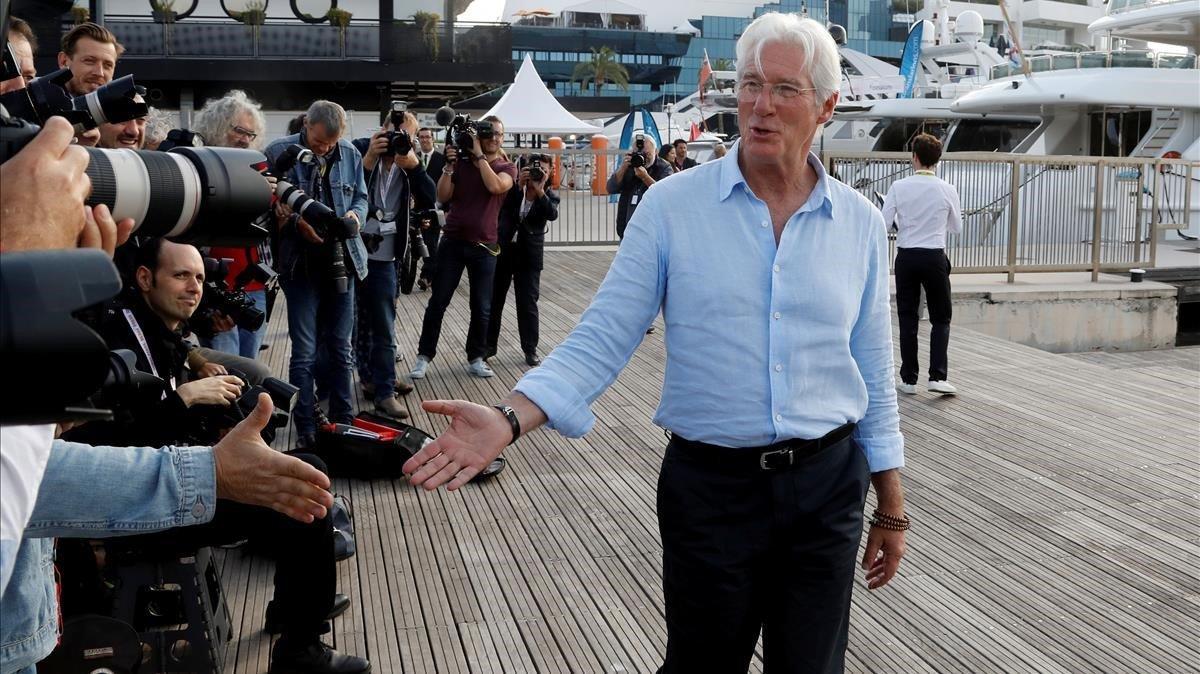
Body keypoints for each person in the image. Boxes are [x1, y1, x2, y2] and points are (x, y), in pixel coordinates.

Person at [403, 13, 908, 673]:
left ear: (827, 106)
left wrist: (891, 507)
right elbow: (605, 332)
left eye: (784, 89)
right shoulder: (673, 207)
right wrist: (510, 417)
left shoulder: (860, 224)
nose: (760, 105)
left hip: (826, 489)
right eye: (750, 84)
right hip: (711, 492)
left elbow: (872, 368)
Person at [59, 239, 367, 673]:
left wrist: (196, 359)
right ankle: (300, 649)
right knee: (305, 482)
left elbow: (172, 350)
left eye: (200, 277)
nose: (195, 288)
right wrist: (183, 398)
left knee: (302, 473)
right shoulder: (116, 336)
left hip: (166, 483)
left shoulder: (145, 321)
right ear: (144, 279)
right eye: (181, 275)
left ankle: (293, 609)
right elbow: (103, 443)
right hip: (137, 509)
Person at [263, 101, 369, 448]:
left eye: (331, 144)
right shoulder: (280, 152)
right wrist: (296, 221)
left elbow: (361, 200)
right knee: (304, 351)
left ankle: (344, 421)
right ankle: (306, 424)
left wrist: (353, 218)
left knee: (341, 347)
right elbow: (268, 205)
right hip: (300, 265)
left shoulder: (350, 153)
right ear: (306, 124)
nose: (324, 150)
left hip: (344, 261)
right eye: (319, 142)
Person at [409, 116, 516, 381]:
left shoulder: (506, 167)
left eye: (498, 134)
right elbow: (442, 196)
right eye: (487, 133)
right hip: (453, 242)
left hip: (484, 245)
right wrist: (448, 165)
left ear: (503, 137)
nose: (493, 138)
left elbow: (495, 186)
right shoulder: (463, 164)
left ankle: (476, 357)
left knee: (481, 306)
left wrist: (478, 154)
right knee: (438, 302)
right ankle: (424, 356)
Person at [350, 108, 435, 419]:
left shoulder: (409, 160)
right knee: (353, 324)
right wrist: (370, 159)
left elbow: (430, 197)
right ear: (380, 130)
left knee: (384, 326)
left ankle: (384, 390)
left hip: (386, 257)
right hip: (353, 252)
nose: (398, 139)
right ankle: (368, 379)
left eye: (406, 136)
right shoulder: (360, 149)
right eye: (393, 133)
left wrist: (413, 167)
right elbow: (345, 193)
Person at [193, 90, 275, 360]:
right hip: (212, 288)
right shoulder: (195, 163)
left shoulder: (257, 166)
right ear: (216, 126)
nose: (245, 140)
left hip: (253, 285)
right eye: (239, 130)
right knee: (224, 372)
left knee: (250, 369)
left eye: (251, 135)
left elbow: (264, 225)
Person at [881, 133, 963, 396]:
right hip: (934, 256)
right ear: (937, 159)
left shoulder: (898, 187)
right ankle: (937, 376)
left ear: (914, 157)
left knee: (907, 317)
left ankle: (908, 380)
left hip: (906, 256)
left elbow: (884, 223)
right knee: (941, 317)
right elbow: (956, 227)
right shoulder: (947, 189)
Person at [485, 153, 558, 367]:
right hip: (504, 251)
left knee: (527, 304)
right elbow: (501, 206)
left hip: (529, 256)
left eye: (543, 169)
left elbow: (551, 214)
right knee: (494, 301)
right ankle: (489, 346)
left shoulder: (550, 195)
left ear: (550, 172)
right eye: (535, 169)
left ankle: (530, 349)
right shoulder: (513, 190)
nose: (538, 172)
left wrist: (540, 189)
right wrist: (519, 186)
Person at [606, 133, 672, 240]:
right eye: (639, 153)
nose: (643, 158)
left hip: (652, 230)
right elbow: (611, 188)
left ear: (656, 152)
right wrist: (623, 168)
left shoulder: (664, 168)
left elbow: (664, 194)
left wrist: (645, 177)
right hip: (627, 230)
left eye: (647, 154)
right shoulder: (629, 165)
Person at [415, 126, 447, 291]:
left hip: (435, 209)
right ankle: (409, 275)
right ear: (418, 140)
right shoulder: (414, 158)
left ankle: (426, 276)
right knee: (414, 244)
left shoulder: (441, 159)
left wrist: (447, 209)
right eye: (422, 137)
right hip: (416, 209)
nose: (425, 140)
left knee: (431, 244)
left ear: (432, 139)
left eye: (428, 137)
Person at [56, 22, 122, 96]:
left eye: (108, 65)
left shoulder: (120, 105)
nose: (99, 73)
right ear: (64, 62)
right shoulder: (41, 101)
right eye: (89, 61)